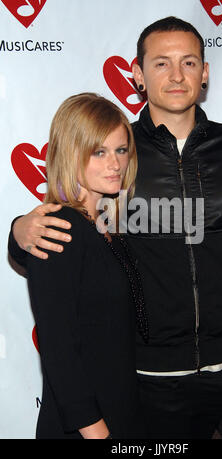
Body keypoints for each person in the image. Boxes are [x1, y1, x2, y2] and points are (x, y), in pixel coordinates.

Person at [8, 17, 222, 439]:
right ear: (138, 75)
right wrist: (18, 232)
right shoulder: (118, 155)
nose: (177, 76)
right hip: (154, 384)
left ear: (206, 72)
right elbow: (69, 241)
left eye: (189, 62)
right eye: (161, 63)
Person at [8, 92, 148, 439]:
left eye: (120, 150)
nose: (115, 164)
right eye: (98, 151)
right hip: (87, 427)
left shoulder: (106, 228)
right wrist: (97, 432)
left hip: (121, 411)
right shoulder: (58, 228)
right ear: (71, 154)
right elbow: (59, 349)